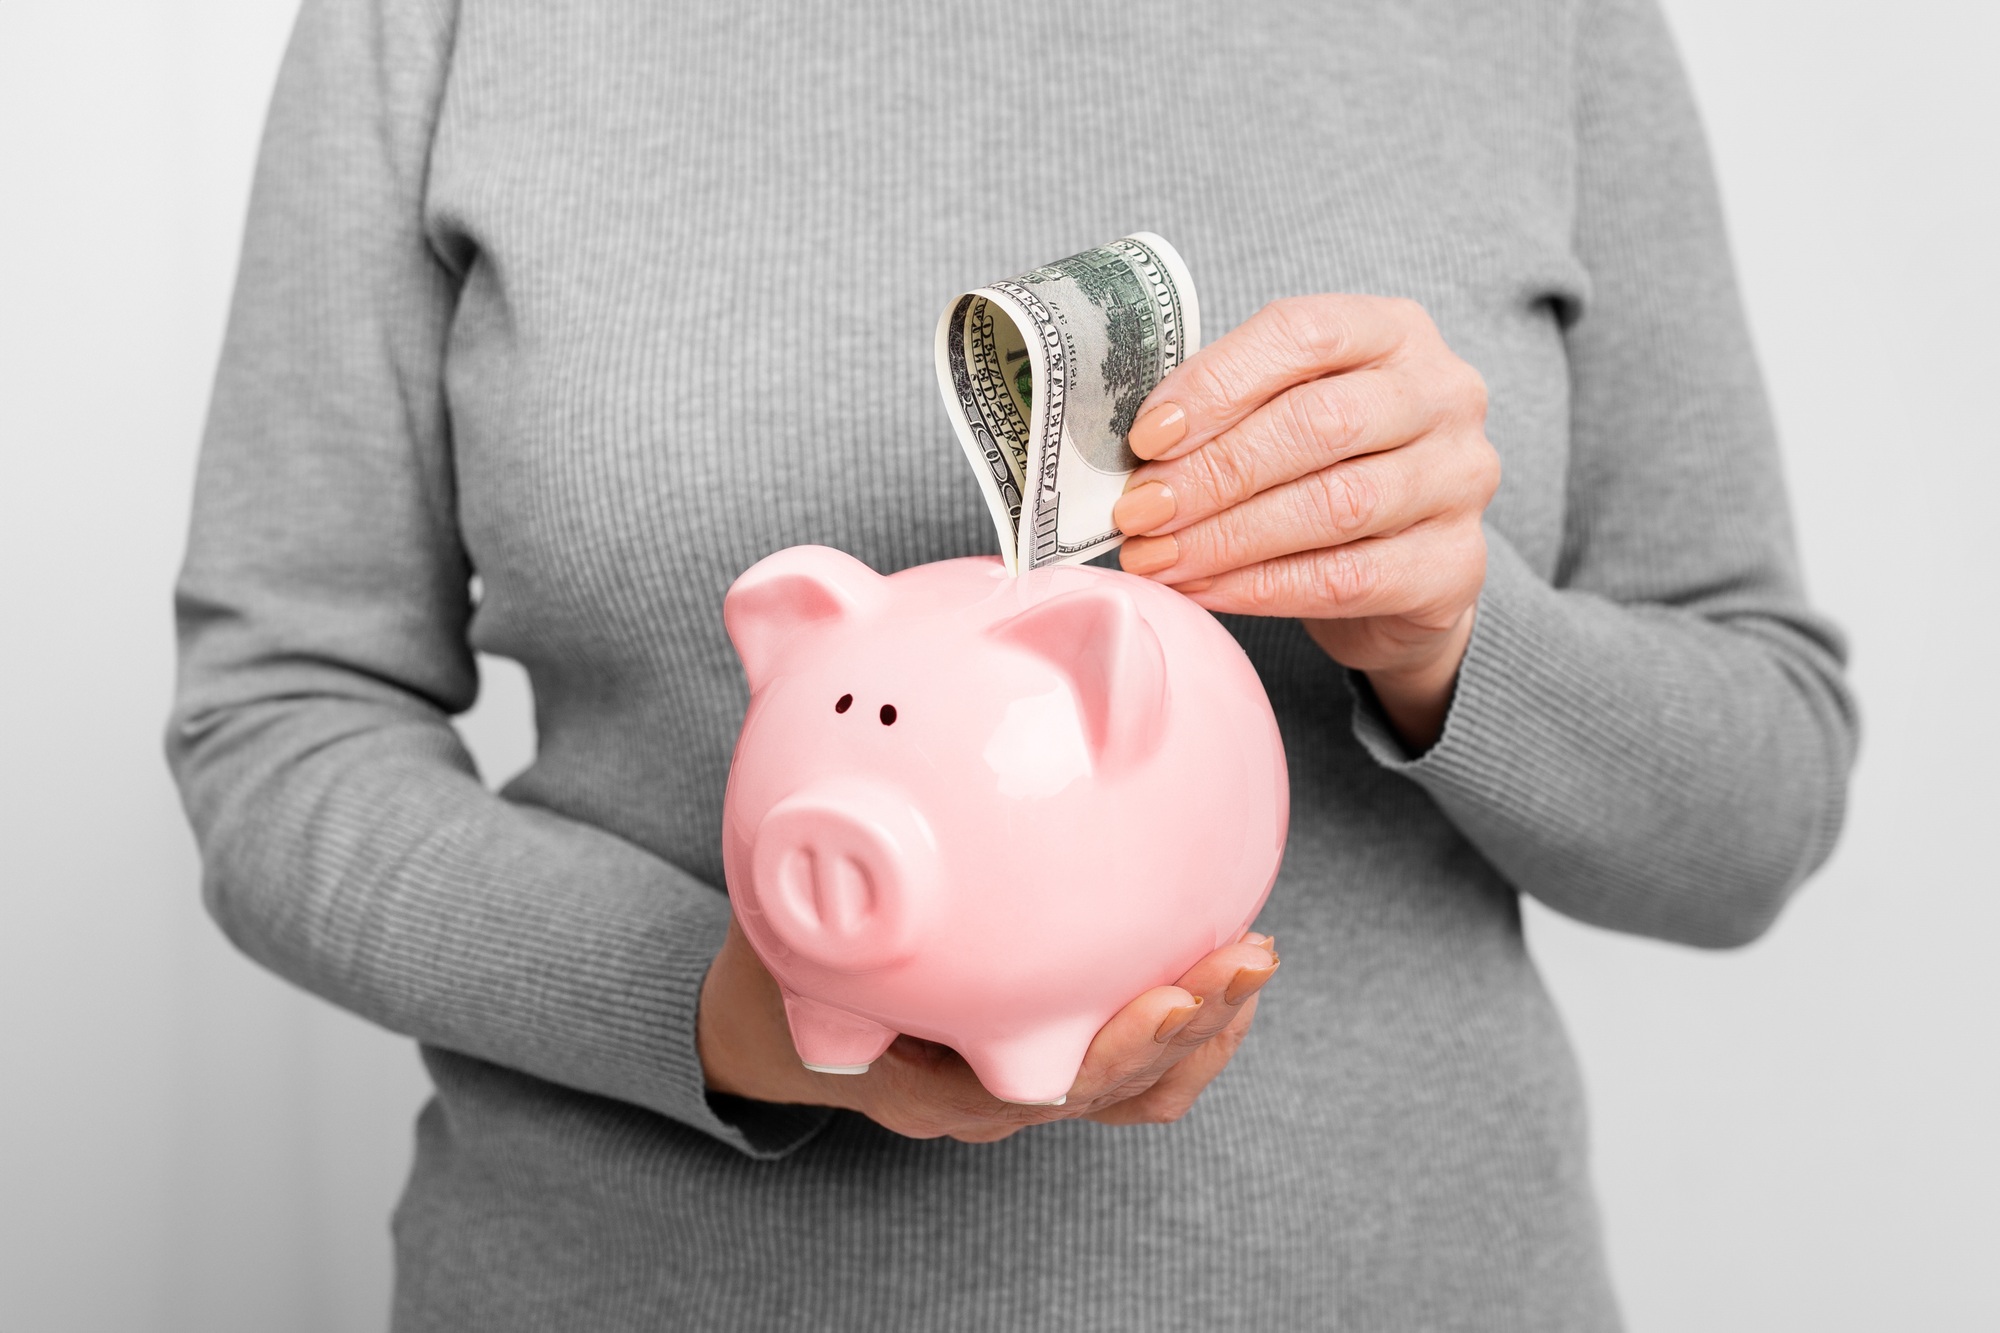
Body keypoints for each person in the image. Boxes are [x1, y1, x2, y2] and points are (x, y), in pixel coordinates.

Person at [167, 0, 1857, 1326]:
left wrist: (1451, 637)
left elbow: (1759, 807)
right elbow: (279, 727)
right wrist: (722, 1004)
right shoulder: (447, 18)